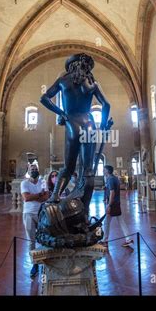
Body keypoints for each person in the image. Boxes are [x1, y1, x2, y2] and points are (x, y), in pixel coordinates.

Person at [40, 53, 110, 214]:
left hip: (72, 123)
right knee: (88, 170)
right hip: (90, 123)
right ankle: (83, 209)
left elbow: (44, 98)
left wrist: (61, 113)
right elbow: (106, 105)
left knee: (68, 167)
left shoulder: (63, 81)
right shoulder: (93, 84)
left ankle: (55, 196)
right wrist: (103, 125)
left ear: (71, 67)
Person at [21, 164, 49, 278]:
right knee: (31, 240)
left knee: (45, 237)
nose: (34, 171)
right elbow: (26, 198)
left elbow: (46, 197)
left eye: (36, 169)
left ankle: (46, 260)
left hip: (41, 213)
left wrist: (36, 196)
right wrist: (39, 194)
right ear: (28, 171)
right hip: (28, 214)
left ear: (38, 170)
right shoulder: (24, 183)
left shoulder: (43, 182)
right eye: (32, 169)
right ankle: (35, 264)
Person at [100, 165, 133, 248]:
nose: (103, 171)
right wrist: (106, 187)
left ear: (107, 171)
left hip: (113, 204)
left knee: (107, 222)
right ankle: (128, 239)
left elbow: (112, 193)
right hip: (116, 203)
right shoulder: (114, 178)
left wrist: (109, 205)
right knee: (120, 221)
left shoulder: (110, 179)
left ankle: (105, 240)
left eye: (104, 170)